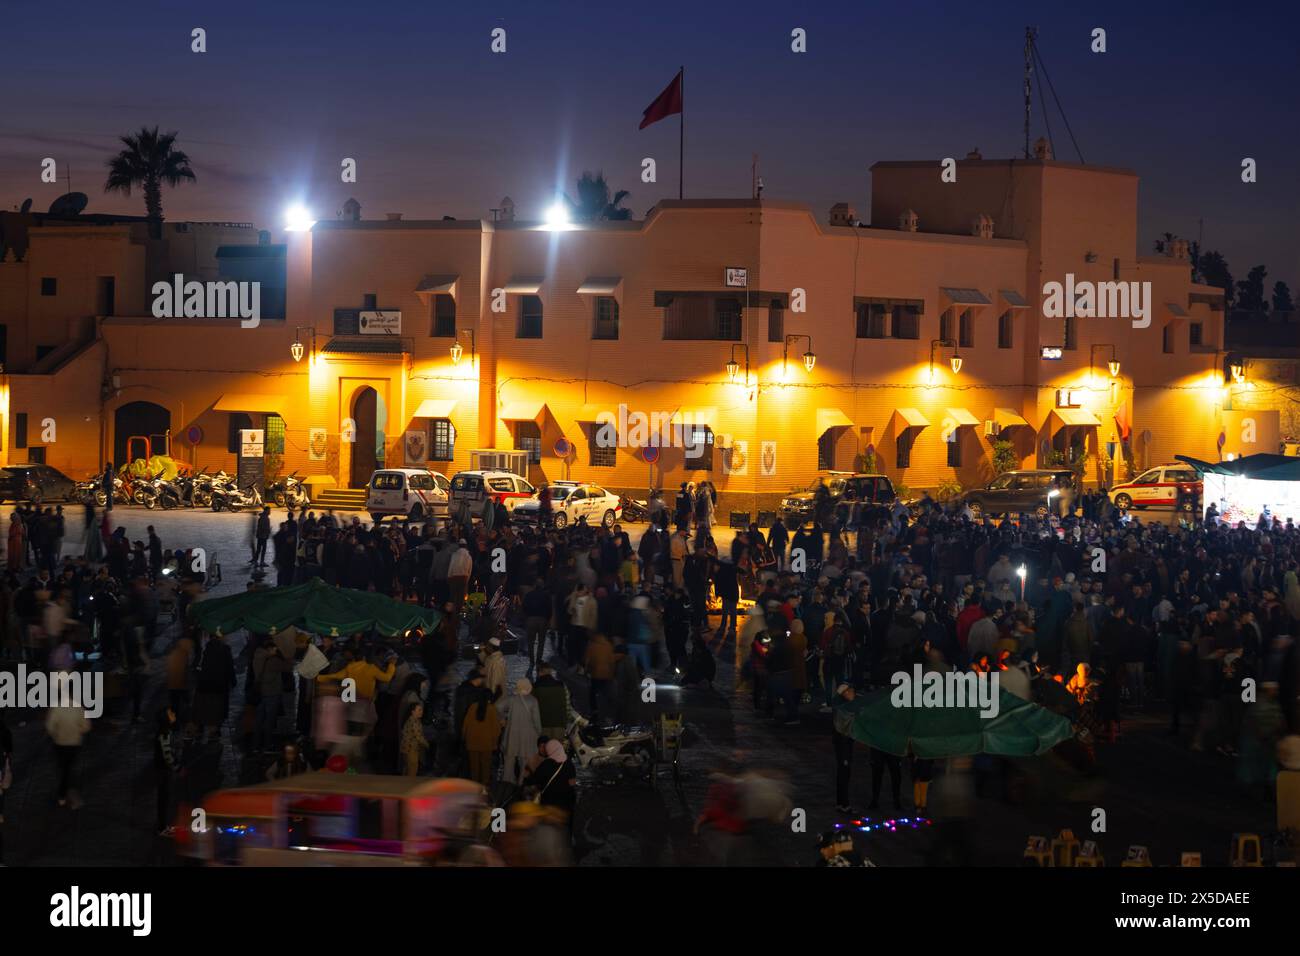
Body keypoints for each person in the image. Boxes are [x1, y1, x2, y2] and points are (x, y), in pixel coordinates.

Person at [46, 690, 92, 809]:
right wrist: (78, 731)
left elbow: (50, 726)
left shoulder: (56, 708)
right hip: (74, 743)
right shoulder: (78, 708)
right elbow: (86, 726)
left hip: (60, 743)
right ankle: (66, 793)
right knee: (69, 768)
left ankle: (62, 795)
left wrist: (56, 733)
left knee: (63, 768)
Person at [496, 678, 542, 785]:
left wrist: (502, 718)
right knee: (524, 760)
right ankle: (520, 782)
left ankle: (507, 782)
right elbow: (536, 721)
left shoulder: (511, 699)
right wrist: (539, 733)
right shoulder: (533, 700)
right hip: (527, 736)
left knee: (509, 760)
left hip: (511, 734)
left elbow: (497, 706)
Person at [522, 738, 576, 817]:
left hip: (548, 801)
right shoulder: (569, 764)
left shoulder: (546, 764)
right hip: (565, 803)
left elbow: (535, 779)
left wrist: (526, 779)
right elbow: (572, 784)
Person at [461, 690, 501, 786]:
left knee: (474, 767)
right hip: (487, 743)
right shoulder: (492, 709)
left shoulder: (472, 707)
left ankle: (474, 785)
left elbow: (465, 725)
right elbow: (496, 728)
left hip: (472, 742)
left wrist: (464, 738)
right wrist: (495, 742)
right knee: (486, 768)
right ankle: (484, 787)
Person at [831, 684, 859, 815]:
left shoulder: (841, 707)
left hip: (843, 744)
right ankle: (844, 804)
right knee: (844, 773)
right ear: (845, 693)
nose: (853, 692)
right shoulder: (844, 709)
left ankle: (841, 802)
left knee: (843, 773)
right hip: (843, 745)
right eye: (850, 690)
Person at [154, 705, 180, 834]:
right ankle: (162, 827)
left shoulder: (165, 732)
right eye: (170, 713)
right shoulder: (164, 734)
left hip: (163, 770)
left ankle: (163, 825)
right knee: (164, 798)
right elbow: (167, 755)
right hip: (164, 771)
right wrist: (177, 767)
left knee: (165, 798)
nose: (173, 714)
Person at [400, 702, 429, 776]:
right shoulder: (414, 722)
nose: (421, 712)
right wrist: (427, 744)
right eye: (419, 710)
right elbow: (418, 736)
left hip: (406, 748)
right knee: (412, 771)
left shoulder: (412, 720)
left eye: (421, 710)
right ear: (413, 712)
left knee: (406, 769)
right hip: (411, 749)